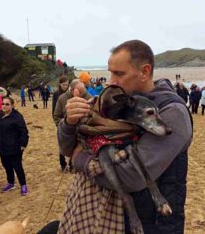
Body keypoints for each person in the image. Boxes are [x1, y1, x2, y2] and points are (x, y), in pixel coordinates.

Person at [57, 40, 193, 233]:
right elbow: (65, 148)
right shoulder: (116, 102)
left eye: (119, 74)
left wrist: (80, 159)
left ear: (145, 72)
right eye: (110, 72)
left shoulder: (172, 113)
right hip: (103, 215)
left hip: (149, 222)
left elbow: (131, 178)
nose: (111, 81)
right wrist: (69, 123)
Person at [0, 97, 29, 195]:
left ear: (12, 105)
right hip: (2, 146)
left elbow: (23, 131)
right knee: (7, 166)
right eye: (3, 104)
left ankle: (23, 185)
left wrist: (23, 144)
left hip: (15, 147)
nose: (4, 106)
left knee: (17, 166)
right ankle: (10, 183)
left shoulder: (17, 117)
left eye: (7, 104)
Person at [53, 79, 91, 172]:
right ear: (72, 89)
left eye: (83, 91)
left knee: (77, 152)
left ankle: (72, 166)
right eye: (79, 91)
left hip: (82, 135)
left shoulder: (89, 97)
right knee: (63, 149)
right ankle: (63, 166)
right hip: (66, 132)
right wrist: (64, 127)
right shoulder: (62, 98)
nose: (82, 93)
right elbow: (56, 115)